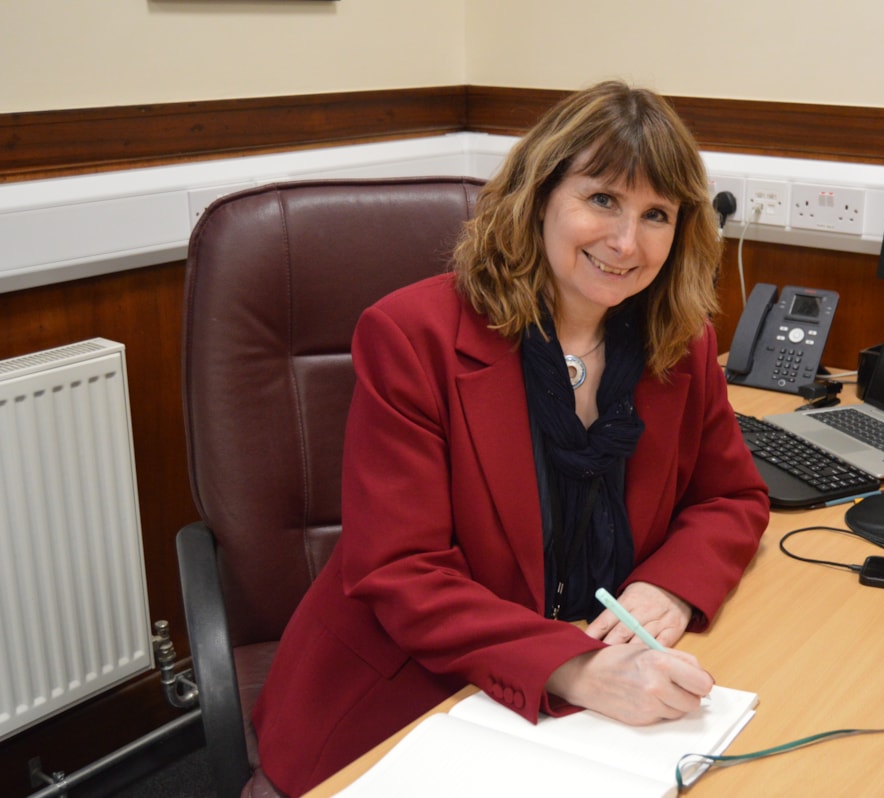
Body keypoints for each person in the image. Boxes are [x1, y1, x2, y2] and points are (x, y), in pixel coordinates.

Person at [251, 80, 770, 796]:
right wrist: (575, 669)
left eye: (657, 214)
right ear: (541, 196)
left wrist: (671, 587)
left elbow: (733, 495)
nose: (627, 242)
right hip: (415, 699)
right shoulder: (414, 337)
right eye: (602, 200)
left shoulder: (679, 343)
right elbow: (401, 570)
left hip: (598, 717)